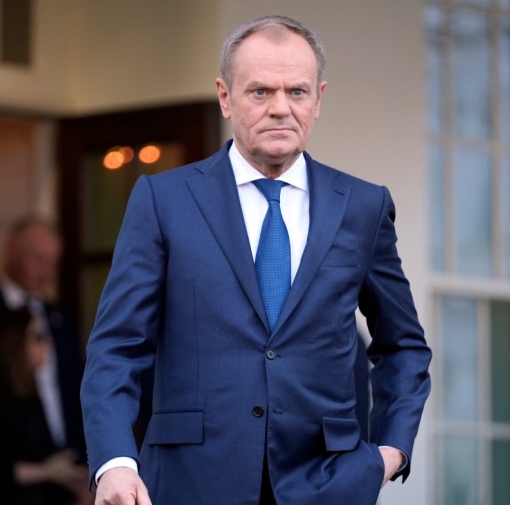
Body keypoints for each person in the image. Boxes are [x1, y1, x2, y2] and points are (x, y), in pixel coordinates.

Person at [80, 15, 431, 505]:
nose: (280, 109)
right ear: (225, 97)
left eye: (298, 92)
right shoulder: (164, 200)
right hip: (190, 484)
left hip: (328, 486)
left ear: (319, 98)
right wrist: (114, 462)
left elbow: (403, 347)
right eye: (261, 92)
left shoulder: (363, 207)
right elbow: (117, 349)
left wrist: (390, 451)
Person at [0, 216, 91, 504]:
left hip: (64, 475)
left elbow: (74, 393)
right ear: (11, 252)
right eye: (40, 259)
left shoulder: (60, 318)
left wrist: (82, 472)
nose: (48, 271)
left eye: (54, 262)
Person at [0, 307, 92, 505]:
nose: (48, 344)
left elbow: (46, 456)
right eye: (37, 337)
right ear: (15, 342)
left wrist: (77, 478)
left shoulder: (31, 394)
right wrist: (48, 472)